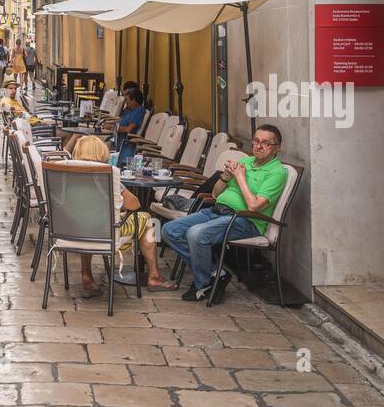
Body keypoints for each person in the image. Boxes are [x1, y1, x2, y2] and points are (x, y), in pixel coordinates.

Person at [161, 125, 288, 304]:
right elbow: (215, 194)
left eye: (266, 143)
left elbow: (254, 206)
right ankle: (215, 273)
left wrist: (241, 177)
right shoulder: (246, 162)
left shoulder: (277, 172)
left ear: (277, 147)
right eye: (256, 141)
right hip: (216, 212)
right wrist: (227, 176)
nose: (259, 146)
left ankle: (203, 283)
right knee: (169, 230)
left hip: (245, 221)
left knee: (196, 234)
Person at [67, 136, 176, 295]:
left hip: (73, 230)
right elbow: (134, 204)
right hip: (105, 232)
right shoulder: (108, 175)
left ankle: (87, 276)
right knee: (149, 220)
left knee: (87, 221)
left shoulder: (65, 174)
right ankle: (154, 276)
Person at [112, 87, 146, 166]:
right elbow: (119, 121)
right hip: (117, 139)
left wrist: (114, 128)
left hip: (126, 144)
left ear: (133, 100)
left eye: (127, 100)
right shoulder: (129, 110)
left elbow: (128, 129)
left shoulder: (138, 111)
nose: (126, 102)